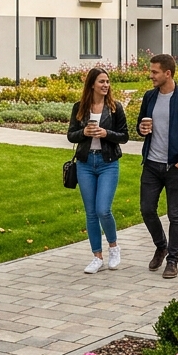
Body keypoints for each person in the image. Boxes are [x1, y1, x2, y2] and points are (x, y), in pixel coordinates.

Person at [136, 53, 178, 278]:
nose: (151, 75)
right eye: (151, 71)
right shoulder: (149, 97)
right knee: (146, 209)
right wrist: (142, 130)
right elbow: (141, 125)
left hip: (175, 166)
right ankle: (161, 245)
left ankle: (172, 260)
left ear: (168, 73)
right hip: (152, 164)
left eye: (155, 72)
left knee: (175, 214)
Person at [66, 68, 129, 274]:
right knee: (91, 213)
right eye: (102, 81)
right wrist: (84, 132)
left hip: (107, 163)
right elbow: (71, 136)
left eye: (108, 82)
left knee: (103, 209)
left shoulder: (114, 108)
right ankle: (97, 257)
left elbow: (124, 136)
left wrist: (105, 133)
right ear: (92, 84)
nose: (106, 85)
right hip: (85, 164)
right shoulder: (80, 108)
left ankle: (114, 247)